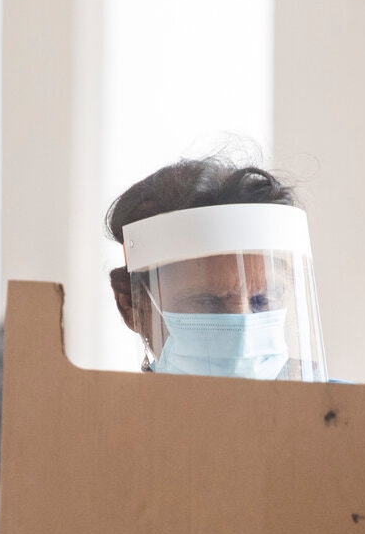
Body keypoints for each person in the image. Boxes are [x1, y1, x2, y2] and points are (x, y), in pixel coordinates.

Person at [103, 157, 329, 382]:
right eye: (208, 302)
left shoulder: (343, 413)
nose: (243, 343)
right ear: (131, 305)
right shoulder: (103, 416)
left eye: (263, 300)